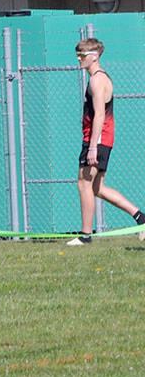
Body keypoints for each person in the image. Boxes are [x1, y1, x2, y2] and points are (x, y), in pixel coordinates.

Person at [67, 37, 145, 246]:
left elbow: (100, 115)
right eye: (78, 54)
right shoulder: (96, 78)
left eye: (82, 55)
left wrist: (92, 146)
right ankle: (140, 217)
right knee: (97, 187)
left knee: (84, 183)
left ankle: (85, 236)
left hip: (98, 140)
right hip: (100, 139)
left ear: (94, 56)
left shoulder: (97, 80)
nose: (79, 59)